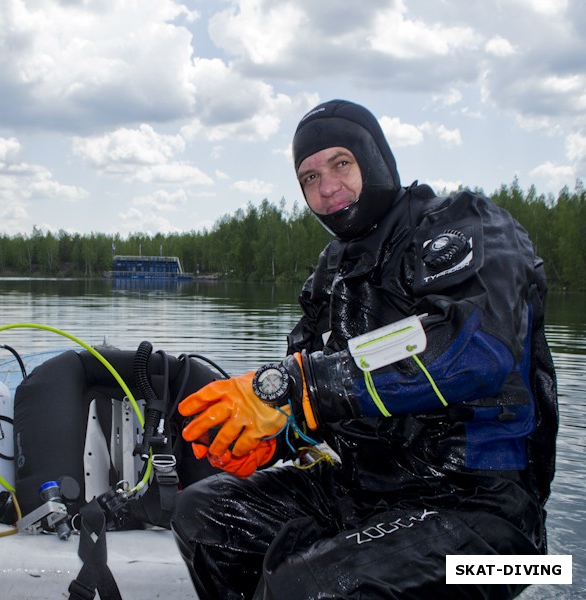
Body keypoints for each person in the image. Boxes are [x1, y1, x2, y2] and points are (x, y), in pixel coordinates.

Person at [171, 99, 558, 599]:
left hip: (495, 532)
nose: (326, 187)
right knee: (203, 517)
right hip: (364, 494)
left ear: (376, 161)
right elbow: (312, 395)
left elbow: (474, 348)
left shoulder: (464, 222)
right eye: (308, 177)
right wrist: (280, 435)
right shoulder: (330, 274)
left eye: (340, 164)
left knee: (304, 588)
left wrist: (304, 385)